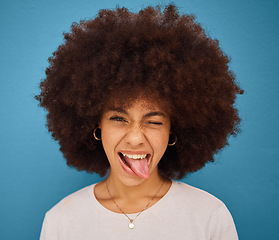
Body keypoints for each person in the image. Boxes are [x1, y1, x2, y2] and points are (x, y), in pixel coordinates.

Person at [37, 4, 243, 240]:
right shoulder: (61, 220)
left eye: (153, 122)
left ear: (172, 131)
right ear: (97, 126)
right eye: (118, 118)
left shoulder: (210, 216)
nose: (135, 138)